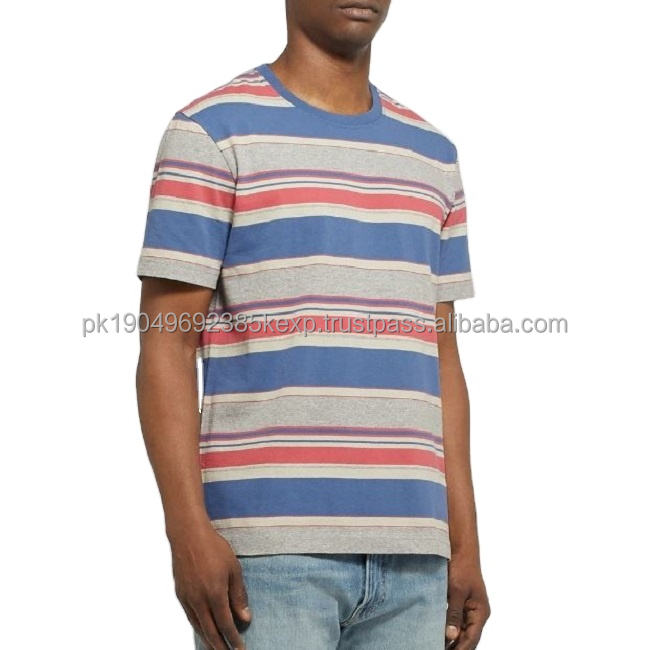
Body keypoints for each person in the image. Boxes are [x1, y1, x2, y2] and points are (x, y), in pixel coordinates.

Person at [136, 1, 490, 648]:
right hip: (266, 556)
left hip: (417, 560)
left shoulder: (432, 155)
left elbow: (442, 359)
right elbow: (167, 345)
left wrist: (463, 544)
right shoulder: (212, 133)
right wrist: (186, 531)